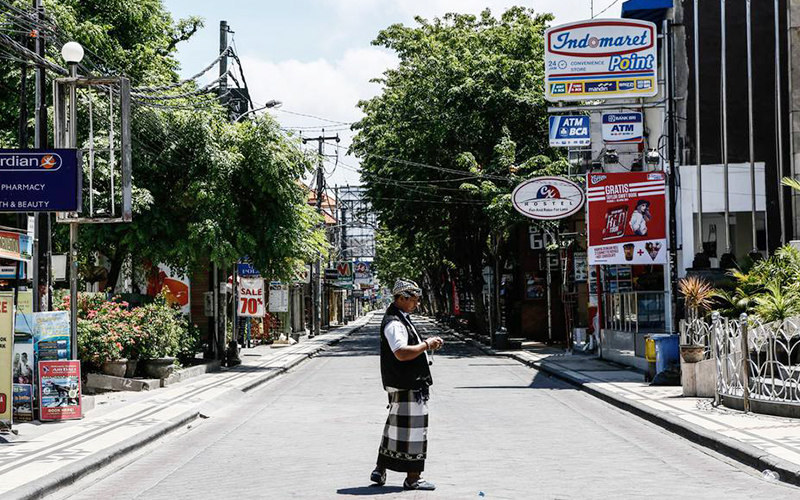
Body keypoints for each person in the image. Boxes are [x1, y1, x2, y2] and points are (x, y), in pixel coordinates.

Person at [370, 279, 444, 491]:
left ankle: (380, 469)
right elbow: (401, 352)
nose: (417, 303)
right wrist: (427, 344)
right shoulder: (394, 322)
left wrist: (425, 346)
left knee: (395, 427)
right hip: (408, 384)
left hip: (404, 383)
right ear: (401, 298)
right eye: (414, 299)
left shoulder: (401, 318)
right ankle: (413, 478)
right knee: (414, 431)